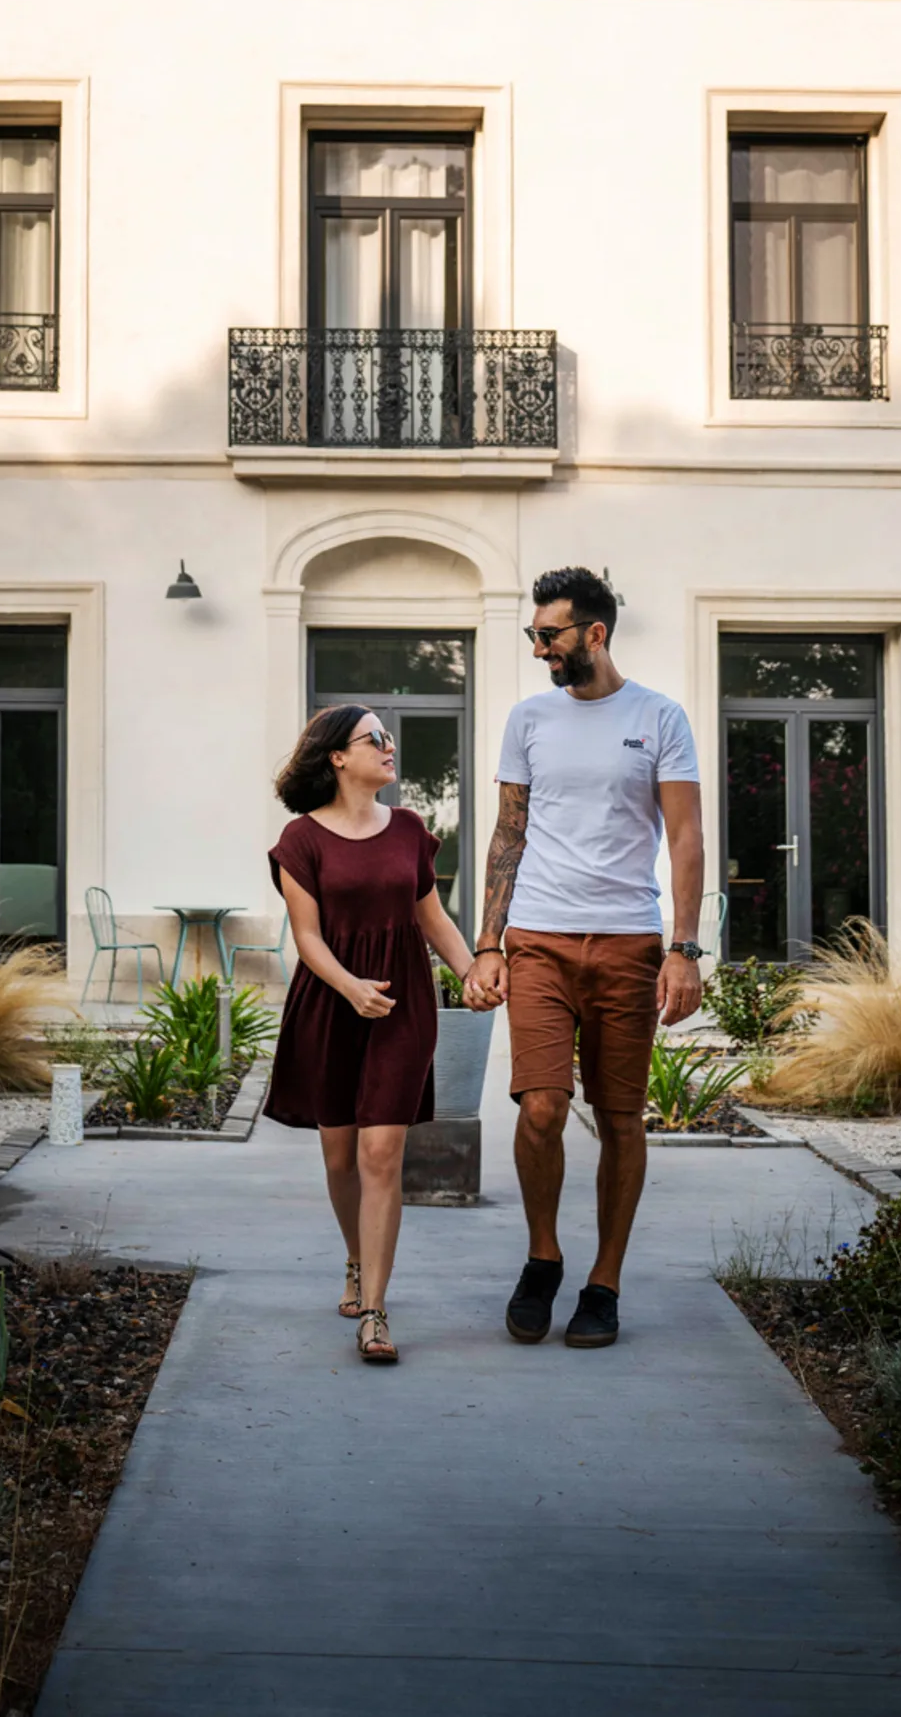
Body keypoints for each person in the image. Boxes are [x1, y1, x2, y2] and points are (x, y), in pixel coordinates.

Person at [464, 565, 704, 1350]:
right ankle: (543, 1258)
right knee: (539, 1107)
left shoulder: (660, 717)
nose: (538, 648)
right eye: (533, 634)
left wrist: (684, 950)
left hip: (629, 942)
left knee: (621, 1116)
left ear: (593, 633)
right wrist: (487, 943)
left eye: (548, 634)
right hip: (538, 937)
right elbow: (508, 833)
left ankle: (604, 1281)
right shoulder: (529, 719)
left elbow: (686, 838)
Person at [266, 703, 486, 1364]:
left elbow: (433, 919)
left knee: (382, 1156)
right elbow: (306, 938)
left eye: (389, 739)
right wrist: (350, 986)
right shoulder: (300, 841)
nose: (390, 748)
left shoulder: (410, 830)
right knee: (340, 1159)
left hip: (401, 1005)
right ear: (338, 757)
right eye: (375, 739)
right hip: (332, 1004)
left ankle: (375, 1313)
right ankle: (357, 1260)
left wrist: (473, 970)